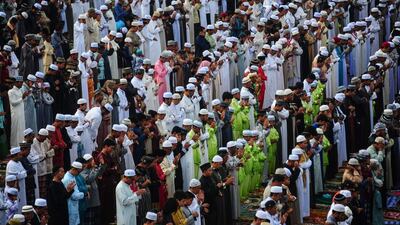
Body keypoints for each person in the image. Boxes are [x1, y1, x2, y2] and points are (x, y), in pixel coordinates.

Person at [8, 76, 26, 147]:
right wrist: (22, 98)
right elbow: (13, 102)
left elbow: (22, 101)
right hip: (15, 114)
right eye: (21, 82)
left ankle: (21, 144)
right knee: (15, 130)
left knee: (21, 129)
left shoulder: (20, 90)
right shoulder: (11, 91)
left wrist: (24, 97)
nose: (22, 84)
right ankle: (14, 146)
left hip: (21, 113)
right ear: (16, 82)